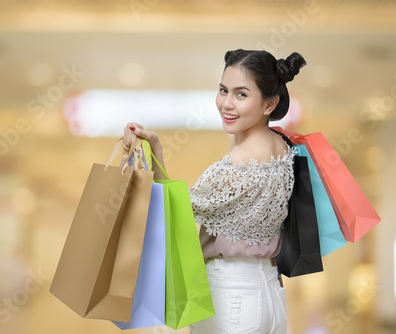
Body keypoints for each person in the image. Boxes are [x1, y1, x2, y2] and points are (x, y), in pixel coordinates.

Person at [122, 49, 306, 334]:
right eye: (223, 90)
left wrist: (152, 152)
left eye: (241, 94)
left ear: (270, 103)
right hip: (270, 292)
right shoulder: (282, 147)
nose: (226, 104)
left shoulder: (239, 161)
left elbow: (173, 210)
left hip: (231, 295)